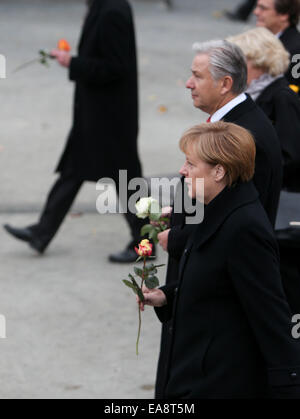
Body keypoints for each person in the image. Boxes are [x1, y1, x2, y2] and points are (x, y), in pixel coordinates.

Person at [154, 39, 283, 398]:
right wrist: (177, 213)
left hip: (216, 339)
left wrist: (175, 238)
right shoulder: (230, 126)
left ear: (225, 84)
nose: (188, 83)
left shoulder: (246, 136)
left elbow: (233, 219)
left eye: (196, 76)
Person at [139, 122, 300, 399]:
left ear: (219, 171)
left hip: (218, 382)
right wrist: (167, 296)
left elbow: (270, 314)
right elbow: (217, 286)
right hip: (198, 372)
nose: (182, 171)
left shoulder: (244, 228)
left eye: (191, 163)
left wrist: (288, 385)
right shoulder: (216, 209)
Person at [4, 0, 146, 263]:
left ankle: (144, 242)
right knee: (73, 169)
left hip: (111, 117)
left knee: (126, 179)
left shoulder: (112, 11)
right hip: (95, 113)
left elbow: (115, 68)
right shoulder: (103, 7)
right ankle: (42, 232)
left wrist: (73, 62)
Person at [229, 27, 300, 314]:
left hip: (281, 200)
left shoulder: (281, 96)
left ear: (258, 62)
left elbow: (291, 154)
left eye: (239, 61)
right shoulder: (253, 94)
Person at [254, 0, 300, 92]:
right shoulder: (260, 38)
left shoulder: (295, 50)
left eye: (263, 8)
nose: (255, 12)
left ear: (284, 15)